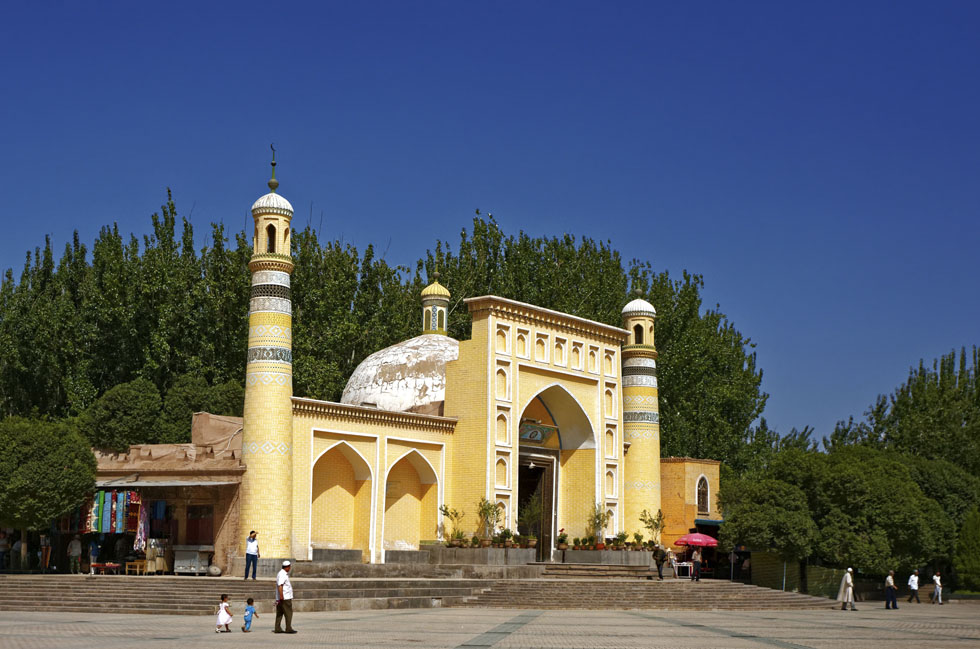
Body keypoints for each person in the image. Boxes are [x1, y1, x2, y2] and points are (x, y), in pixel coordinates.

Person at [274, 560, 296, 634]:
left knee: (280, 613)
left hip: (281, 597)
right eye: (289, 567)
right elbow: (280, 585)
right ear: (287, 567)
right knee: (288, 613)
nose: (290, 568)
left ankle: (277, 628)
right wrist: (281, 596)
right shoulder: (283, 574)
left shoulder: (281, 573)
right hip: (285, 598)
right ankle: (288, 628)